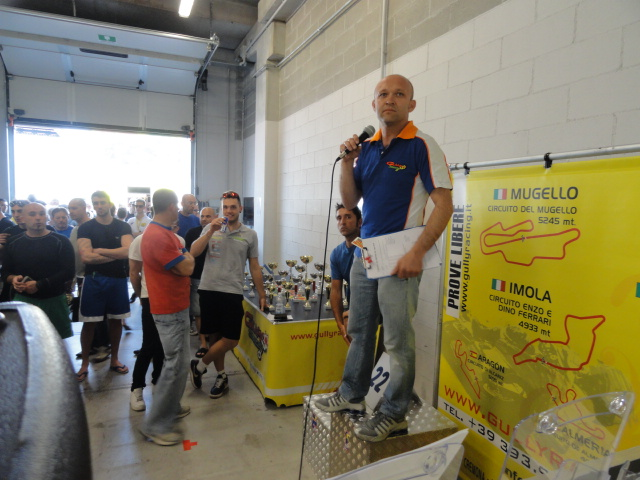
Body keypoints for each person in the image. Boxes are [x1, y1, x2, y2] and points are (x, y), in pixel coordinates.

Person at [315, 74, 454, 442]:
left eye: (399, 94)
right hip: (366, 253)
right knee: (360, 330)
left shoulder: (422, 145)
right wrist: (348, 162)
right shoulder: (368, 148)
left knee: (397, 341)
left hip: (400, 256)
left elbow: (444, 205)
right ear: (373, 104)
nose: (390, 99)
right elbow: (350, 201)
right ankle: (351, 394)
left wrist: (417, 252)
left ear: (411, 104)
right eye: (382, 94)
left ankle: (394, 414)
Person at [188, 191, 266, 399]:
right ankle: (221, 376)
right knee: (215, 338)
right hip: (208, 289)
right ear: (221, 209)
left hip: (232, 291)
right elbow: (194, 252)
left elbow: (255, 266)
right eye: (225, 207)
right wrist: (210, 231)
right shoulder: (210, 228)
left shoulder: (250, 234)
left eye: (233, 207)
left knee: (231, 339)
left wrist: (262, 294)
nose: (229, 211)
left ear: (240, 209)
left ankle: (199, 365)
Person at [139, 188, 194, 446]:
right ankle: (155, 425)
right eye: (178, 206)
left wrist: (185, 254)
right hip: (169, 310)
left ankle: (170, 408)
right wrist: (188, 256)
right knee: (175, 367)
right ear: (172, 206)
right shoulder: (158, 236)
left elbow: (183, 261)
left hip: (176, 306)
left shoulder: (165, 233)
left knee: (180, 364)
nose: (180, 210)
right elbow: (186, 267)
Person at [75, 191, 133, 382]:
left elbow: (128, 251)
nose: (99, 206)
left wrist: (100, 250)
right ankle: (84, 363)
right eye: (95, 203)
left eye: (102, 202)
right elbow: (86, 257)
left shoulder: (122, 226)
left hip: (118, 280)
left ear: (109, 203)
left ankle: (114, 359)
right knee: (89, 323)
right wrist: (115, 254)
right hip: (94, 280)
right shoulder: (86, 228)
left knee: (116, 321)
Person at [1, 203, 75, 339]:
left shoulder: (61, 241)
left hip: (54, 300)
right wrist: (13, 279)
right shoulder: (13, 242)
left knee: (57, 343)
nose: (38, 218)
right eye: (32, 214)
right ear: (23, 218)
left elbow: (69, 272)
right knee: (25, 342)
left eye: (41, 214)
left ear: (46, 217)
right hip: (23, 301)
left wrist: (40, 284)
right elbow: (5, 272)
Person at [184, 207, 217, 354]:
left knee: (214, 311)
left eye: (208, 216)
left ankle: (215, 341)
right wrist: (188, 276)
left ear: (215, 217)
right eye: (202, 216)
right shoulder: (192, 233)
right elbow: (188, 256)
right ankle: (203, 343)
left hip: (215, 278)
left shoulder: (222, 233)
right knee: (198, 312)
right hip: (197, 277)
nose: (204, 219)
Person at [330, 203, 362, 345]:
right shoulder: (337, 253)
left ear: (359, 222)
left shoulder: (367, 247)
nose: (342, 222)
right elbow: (336, 291)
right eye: (339, 218)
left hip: (377, 314)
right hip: (353, 314)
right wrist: (340, 324)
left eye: (348, 217)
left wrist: (350, 314)